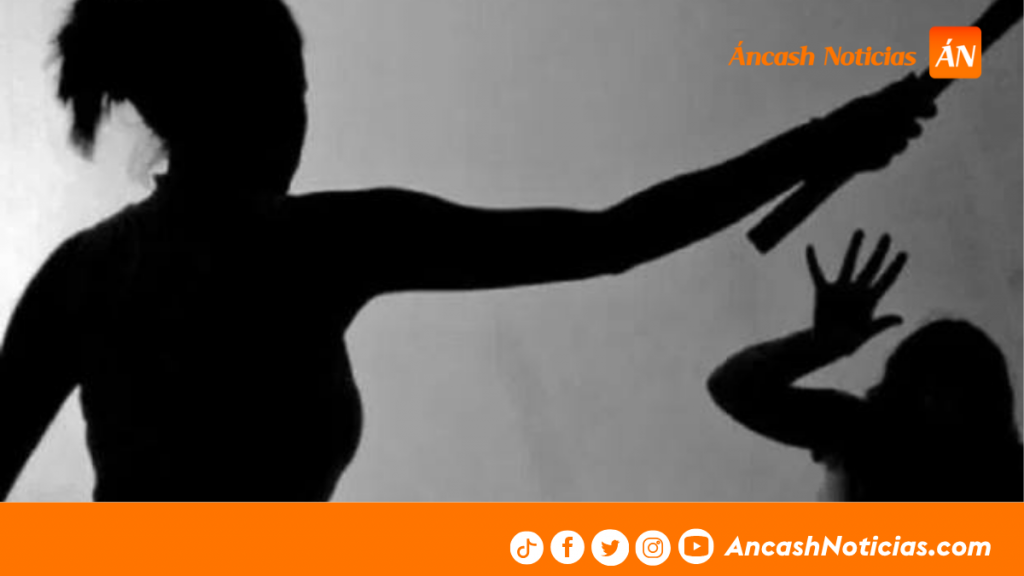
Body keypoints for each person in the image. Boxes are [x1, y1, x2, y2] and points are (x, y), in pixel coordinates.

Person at [0, 0, 936, 501]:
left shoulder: (83, 275)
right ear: (240, 104)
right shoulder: (324, 242)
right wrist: (829, 138)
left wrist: (835, 139)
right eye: (294, 94)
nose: (302, 118)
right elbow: (615, 238)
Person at [709, 231, 1024, 501]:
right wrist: (821, 345)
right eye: (931, 388)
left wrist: (821, 345)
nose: (939, 403)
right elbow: (732, 387)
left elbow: (733, 388)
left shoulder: (861, 434)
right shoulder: (862, 433)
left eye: (956, 391)